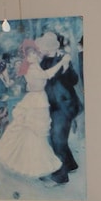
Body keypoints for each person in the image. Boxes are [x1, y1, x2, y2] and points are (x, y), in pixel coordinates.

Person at [0, 40, 71, 178]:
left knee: (37, 132)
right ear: (26, 57)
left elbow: (44, 55)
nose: (33, 56)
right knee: (33, 130)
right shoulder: (30, 68)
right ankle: (32, 163)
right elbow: (47, 75)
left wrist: (58, 54)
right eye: (30, 55)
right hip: (35, 100)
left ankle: (37, 159)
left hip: (39, 99)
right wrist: (61, 62)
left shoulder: (35, 64)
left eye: (34, 53)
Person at [36, 30, 82, 185]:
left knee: (57, 140)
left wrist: (67, 67)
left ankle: (59, 177)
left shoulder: (63, 59)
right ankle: (70, 165)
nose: (42, 49)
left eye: (44, 46)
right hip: (52, 105)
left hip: (65, 106)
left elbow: (74, 80)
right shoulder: (44, 62)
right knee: (56, 138)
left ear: (51, 47)